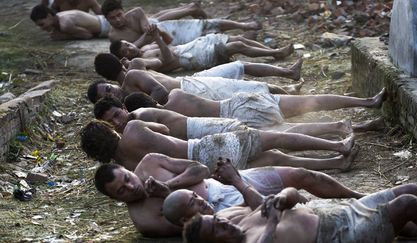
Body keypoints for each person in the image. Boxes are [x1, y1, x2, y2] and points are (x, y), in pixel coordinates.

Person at [94, 154, 364, 236]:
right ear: (115, 200)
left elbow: (198, 168)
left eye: (127, 179)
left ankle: (357, 196)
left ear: (128, 170)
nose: (131, 187)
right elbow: (197, 228)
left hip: (221, 185)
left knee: (304, 175)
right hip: (229, 210)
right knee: (302, 209)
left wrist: (172, 185)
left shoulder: (150, 163)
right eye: (122, 191)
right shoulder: (144, 220)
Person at [182, 161, 417, 243]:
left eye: (217, 219)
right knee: (407, 203)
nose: (222, 222)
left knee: (410, 189)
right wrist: (272, 220)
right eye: (216, 228)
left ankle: (411, 226)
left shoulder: (243, 222)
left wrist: (282, 198)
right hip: (340, 235)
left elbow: (294, 195)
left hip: (338, 213)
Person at [80, 119, 357, 172]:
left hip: (208, 170)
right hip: (204, 148)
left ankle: (334, 164)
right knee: (277, 138)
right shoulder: (133, 128)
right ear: (108, 130)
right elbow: (164, 129)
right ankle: (339, 147)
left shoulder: (126, 168)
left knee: (274, 158)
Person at [94, 95, 381, 140]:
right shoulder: (171, 99)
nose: (119, 122)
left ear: (123, 106)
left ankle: (366, 105)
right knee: (295, 124)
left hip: (235, 112)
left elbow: (163, 133)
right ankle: (359, 120)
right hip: (235, 108)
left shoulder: (140, 117)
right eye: (112, 122)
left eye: (117, 114)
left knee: (303, 109)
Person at [120, 87, 386, 129]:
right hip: (238, 103)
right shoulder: (176, 95)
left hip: (235, 114)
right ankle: (367, 103)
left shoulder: (171, 118)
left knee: (299, 130)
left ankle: (361, 125)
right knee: (311, 101)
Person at [89, 55, 304, 104]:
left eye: (108, 88)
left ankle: (289, 78)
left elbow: (162, 64)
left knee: (240, 69)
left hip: (191, 82)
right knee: (247, 89)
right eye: (107, 94)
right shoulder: (128, 101)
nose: (111, 92)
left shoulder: (134, 70)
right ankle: (291, 95)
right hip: (192, 92)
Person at [109, 28, 293, 72]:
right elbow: (168, 61)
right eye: (124, 51)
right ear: (122, 58)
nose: (128, 49)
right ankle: (276, 53)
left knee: (238, 39)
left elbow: (169, 41)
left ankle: (273, 50)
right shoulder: (144, 61)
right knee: (238, 46)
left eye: (127, 44)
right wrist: (156, 38)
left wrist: (158, 32)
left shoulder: (146, 46)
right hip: (190, 57)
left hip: (191, 46)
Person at [102, 0, 261, 46]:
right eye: (113, 18)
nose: (117, 20)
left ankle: (245, 26)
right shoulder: (113, 36)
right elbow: (130, 48)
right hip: (160, 45)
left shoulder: (136, 12)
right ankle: (241, 37)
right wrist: (146, 36)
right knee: (205, 39)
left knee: (205, 25)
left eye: (119, 15)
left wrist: (148, 30)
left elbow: (146, 25)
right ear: (107, 19)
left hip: (165, 28)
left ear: (123, 11)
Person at [30, 4, 110, 40]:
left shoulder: (65, 24)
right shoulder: (59, 16)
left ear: (49, 16)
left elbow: (87, 35)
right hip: (102, 20)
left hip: (107, 26)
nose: (41, 28)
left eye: (42, 24)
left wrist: (64, 36)